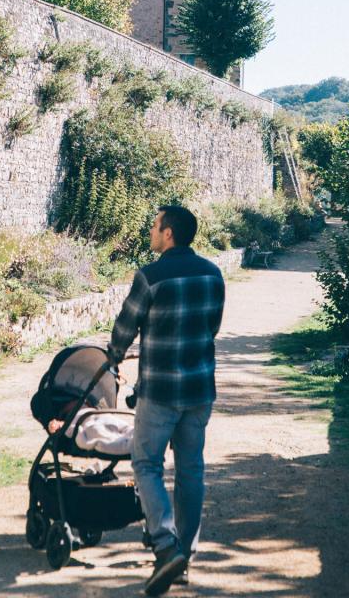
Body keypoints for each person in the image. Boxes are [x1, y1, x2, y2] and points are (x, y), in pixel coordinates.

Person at [107, 205, 225, 596]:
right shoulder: (213, 274)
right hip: (198, 390)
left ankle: (165, 544)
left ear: (169, 234)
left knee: (146, 463)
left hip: (159, 392)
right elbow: (212, 326)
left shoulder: (150, 277)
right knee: (191, 470)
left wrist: (115, 354)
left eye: (156, 226)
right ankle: (184, 555)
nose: (152, 231)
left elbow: (125, 328)